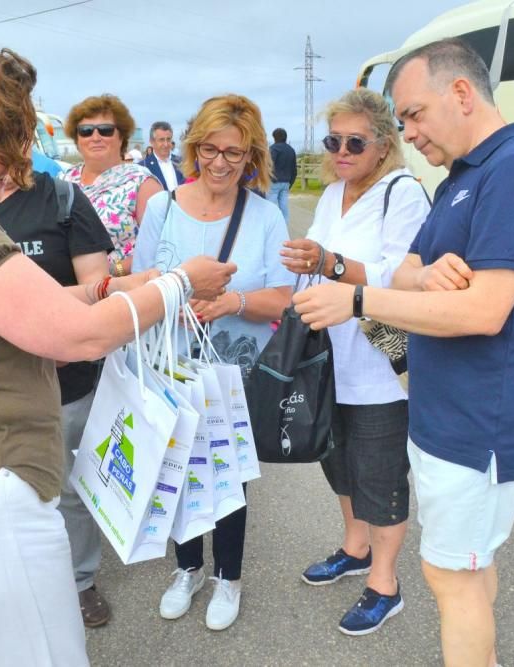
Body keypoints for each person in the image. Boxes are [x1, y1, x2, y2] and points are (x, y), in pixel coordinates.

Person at [0, 28, 234, 665]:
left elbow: (35, 313)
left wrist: (125, 285)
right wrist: (176, 285)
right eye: (3, 151)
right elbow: (74, 338)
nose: (11, 173)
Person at [291, 39, 514, 666]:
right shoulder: (463, 177)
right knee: (467, 568)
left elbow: (483, 310)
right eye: (402, 121)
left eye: (414, 114)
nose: (409, 132)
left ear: (461, 92)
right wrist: (423, 278)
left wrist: (359, 301)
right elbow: (410, 270)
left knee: (453, 575)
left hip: (483, 422)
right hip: (447, 413)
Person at [134, 93, 293, 631]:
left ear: (251, 157)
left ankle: (229, 575)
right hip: (170, 366)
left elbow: (283, 298)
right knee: (175, 470)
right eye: (209, 149)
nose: (220, 162)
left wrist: (231, 303)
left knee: (227, 477)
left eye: (234, 152)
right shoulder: (161, 208)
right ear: (192, 147)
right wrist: (171, 298)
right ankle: (187, 568)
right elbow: (143, 281)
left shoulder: (265, 215)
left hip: (233, 373)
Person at [280, 89, 429, 636]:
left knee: (381, 472)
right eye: (332, 141)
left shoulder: (403, 193)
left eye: (353, 142)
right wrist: (305, 258)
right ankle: (356, 547)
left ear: (384, 145)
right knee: (336, 459)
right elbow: (319, 252)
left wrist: (330, 262)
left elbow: (401, 277)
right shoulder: (334, 192)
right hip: (329, 355)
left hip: (378, 361)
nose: (340, 152)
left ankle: (385, 585)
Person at [0, 171, 116, 627]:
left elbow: (98, 288)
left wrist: (48, 333)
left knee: (66, 487)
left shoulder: (61, 197)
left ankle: (79, 582)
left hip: (66, 380)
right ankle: (11, 582)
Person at [63, 95, 161, 277]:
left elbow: (161, 247)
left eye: (105, 130)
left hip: (122, 292)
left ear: (121, 137)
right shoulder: (63, 179)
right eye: (85, 131)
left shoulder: (141, 182)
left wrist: (114, 270)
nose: (95, 137)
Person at [140, 121, 185, 191]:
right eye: (161, 140)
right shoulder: (143, 167)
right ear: (152, 142)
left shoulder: (182, 162)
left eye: (168, 139)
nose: (166, 144)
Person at [268, 128, 297, 222]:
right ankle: (284, 226)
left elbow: (269, 165)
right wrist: (290, 183)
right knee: (284, 206)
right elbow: (294, 169)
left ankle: (272, 226)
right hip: (286, 182)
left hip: (274, 182)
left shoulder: (273, 148)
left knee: (271, 206)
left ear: (274, 137)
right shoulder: (291, 150)